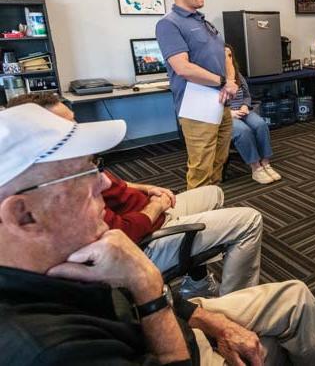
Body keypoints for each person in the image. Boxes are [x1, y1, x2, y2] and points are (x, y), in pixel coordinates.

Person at [0, 103, 315, 366]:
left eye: (96, 167)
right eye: (82, 176)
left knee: (295, 297)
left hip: (170, 319)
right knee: (277, 335)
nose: (103, 183)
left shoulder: (64, 254)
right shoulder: (48, 348)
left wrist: (217, 324)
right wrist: (147, 285)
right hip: (175, 341)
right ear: (23, 214)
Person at [6, 92, 263, 300]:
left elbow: (111, 182)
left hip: (151, 211)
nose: (78, 131)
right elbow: (124, 233)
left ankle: (196, 283)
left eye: (75, 123)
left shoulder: (70, 171)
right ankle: (237, 305)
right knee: (249, 220)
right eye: (67, 129)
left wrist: (144, 188)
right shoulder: (66, 198)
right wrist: (155, 206)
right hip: (146, 235)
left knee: (214, 193)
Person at [156, 0, 238, 190]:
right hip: (197, 105)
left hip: (221, 101)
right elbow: (183, 68)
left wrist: (230, 82)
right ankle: (199, 219)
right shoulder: (169, 24)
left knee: (219, 163)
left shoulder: (202, 21)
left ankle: (214, 212)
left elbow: (226, 54)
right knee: (201, 168)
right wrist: (222, 82)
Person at [226, 45, 281, 185]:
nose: (227, 58)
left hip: (243, 110)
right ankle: (256, 167)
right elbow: (213, 103)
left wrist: (245, 105)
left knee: (261, 124)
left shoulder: (237, 75)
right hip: (226, 115)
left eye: (230, 55)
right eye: (224, 55)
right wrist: (230, 113)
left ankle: (266, 163)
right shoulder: (215, 77)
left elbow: (246, 95)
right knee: (243, 131)